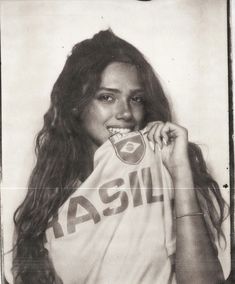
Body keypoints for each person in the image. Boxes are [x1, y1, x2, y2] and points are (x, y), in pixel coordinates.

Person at [12, 29, 227, 284]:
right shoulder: (49, 197)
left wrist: (180, 170)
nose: (125, 112)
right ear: (75, 105)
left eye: (135, 99)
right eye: (107, 97)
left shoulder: (159, 165)